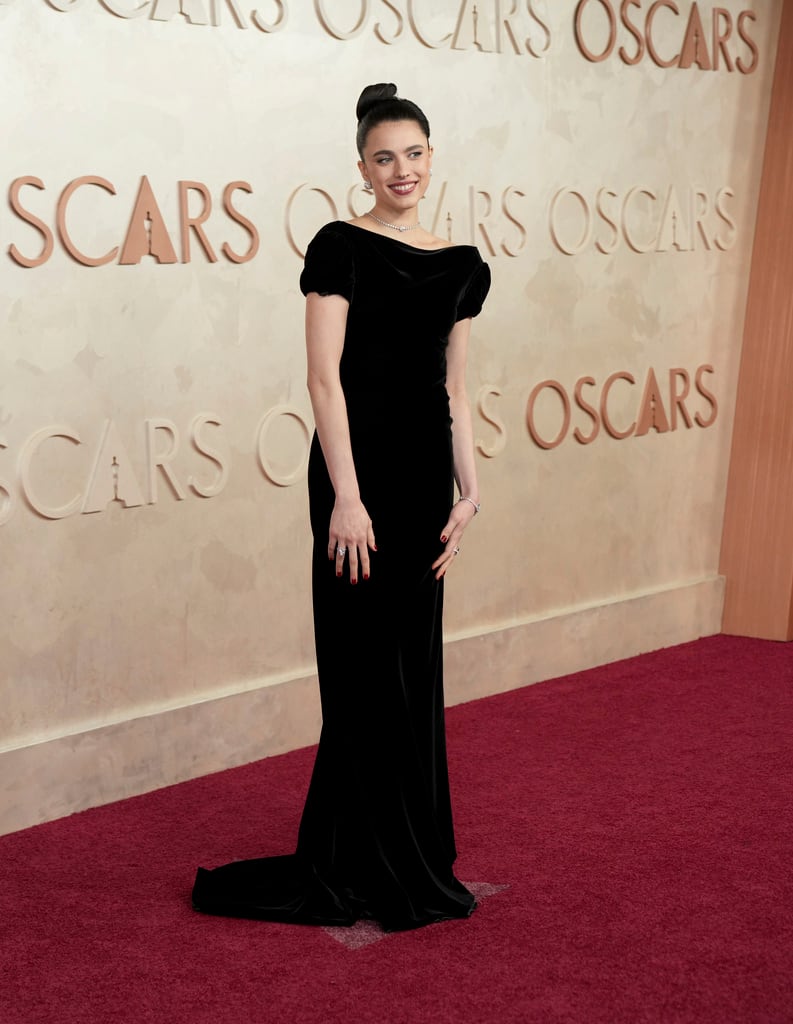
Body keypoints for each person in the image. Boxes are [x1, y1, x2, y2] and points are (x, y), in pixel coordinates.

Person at [192, 83, 491, 932]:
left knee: (410, 666)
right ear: (360, 167)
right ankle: (352, 856)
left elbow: (457, 394)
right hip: (355, 486)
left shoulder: (461, 265)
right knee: (362, 673)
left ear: (433, 157)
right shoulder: (338, 248)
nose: (401, 169)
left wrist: (472, 490)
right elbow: (324, 383)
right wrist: (348, 500)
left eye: (414, 154)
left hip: (426, 482)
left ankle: (407, 850)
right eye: (384, 157)